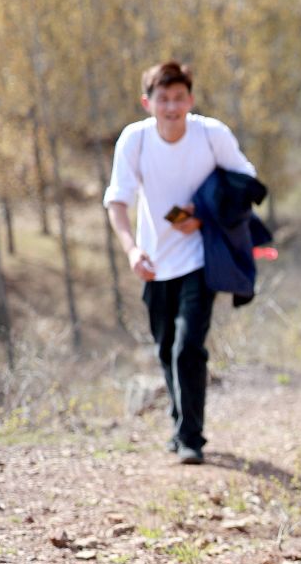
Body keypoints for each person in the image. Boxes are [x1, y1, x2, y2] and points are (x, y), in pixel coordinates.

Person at [104, 61, 257, 465]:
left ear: (190, 99)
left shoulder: (211, 135)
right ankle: (179, 424)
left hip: (201, 259)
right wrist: (132, 250)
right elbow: (117, 202)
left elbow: (247, 183)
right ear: (147, 102)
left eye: (178, 98)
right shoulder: (134, 140)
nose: (171, 107)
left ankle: (191, 439)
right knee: (165, 347)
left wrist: (204, 213)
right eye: (163, 99)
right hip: (155, 261)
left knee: (188, 346)